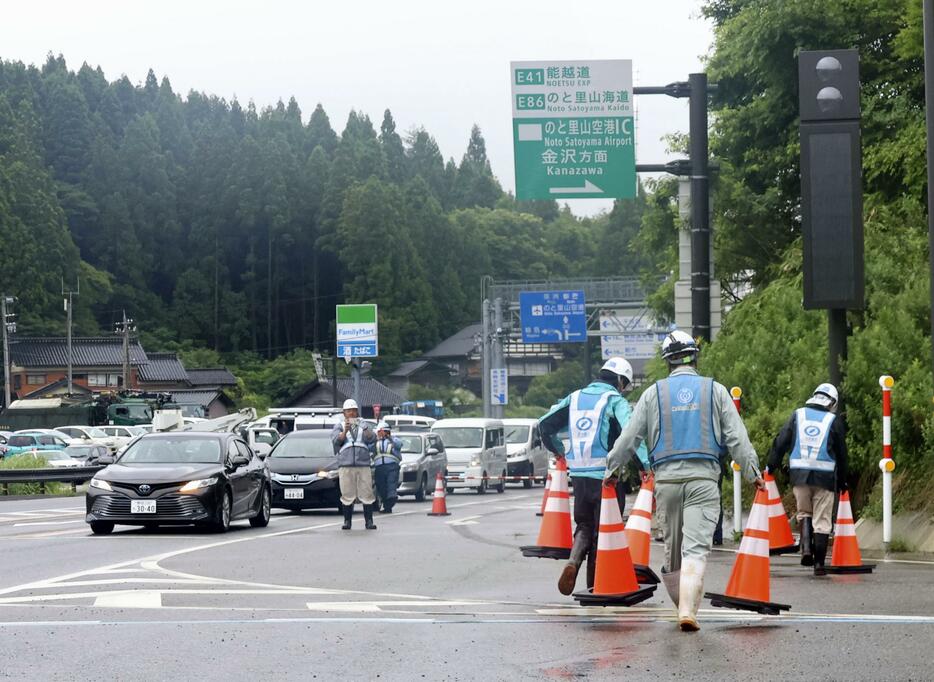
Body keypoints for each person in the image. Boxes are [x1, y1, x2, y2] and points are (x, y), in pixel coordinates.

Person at [605, 330, 765, 632]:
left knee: (674, 554)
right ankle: (688, 610)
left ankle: (683, 607)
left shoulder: (653, 393)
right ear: (695, 356)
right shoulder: (715, 391)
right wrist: (753, 472)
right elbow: (737, 436)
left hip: (666, 484)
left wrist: (612, 471)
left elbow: (629, 438)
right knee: (696, 549)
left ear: (667, 361)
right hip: (703, 481)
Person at [539, 357, 648, 596]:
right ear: (620, 380)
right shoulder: (615, 400)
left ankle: (573, 562)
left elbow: (544, 424)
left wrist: (559, 450)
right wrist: (645, 466)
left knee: (585, 524)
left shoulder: (574, 397)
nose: (624, 388)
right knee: (606, 530)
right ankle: (595, 585)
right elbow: (631, 434)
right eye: (625, 384)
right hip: (607, 478)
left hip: (578, 474)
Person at [766, 383, 848, 576]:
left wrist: (771, 466)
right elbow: (842, 454)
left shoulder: (798, 415)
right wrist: (843, 480)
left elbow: (781, 442)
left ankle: (806, 550)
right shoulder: (833, 420)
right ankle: (819, 565)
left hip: (799, 475)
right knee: (822, 520)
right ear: (832, 402)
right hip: (825, 478)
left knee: (804, 512)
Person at [331, 399, 378, 530]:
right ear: (344, 413)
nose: (351, 413)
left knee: (367, 492)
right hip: (345, 464)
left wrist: (365, 428)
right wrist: (344, 431)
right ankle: (347, 521)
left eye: (353, 410)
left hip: (363, 463)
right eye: (348, 411)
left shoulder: (363, 423)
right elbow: (335, 441)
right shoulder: (339, 425)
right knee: (347, 493)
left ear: (357, 411)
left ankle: (369, 521)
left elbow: (372, 438)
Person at [372, 421, 403, 514]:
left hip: (392, 467)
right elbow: (369, 448)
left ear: (386, 431)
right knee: (381, 487)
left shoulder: (394, 440)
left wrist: (389, 438)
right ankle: (386, 505)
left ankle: (390, 502)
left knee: (391, 485)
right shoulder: (375, 442)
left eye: (381, 431)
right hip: (379, 468)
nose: (380, 434)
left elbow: (399, 445)